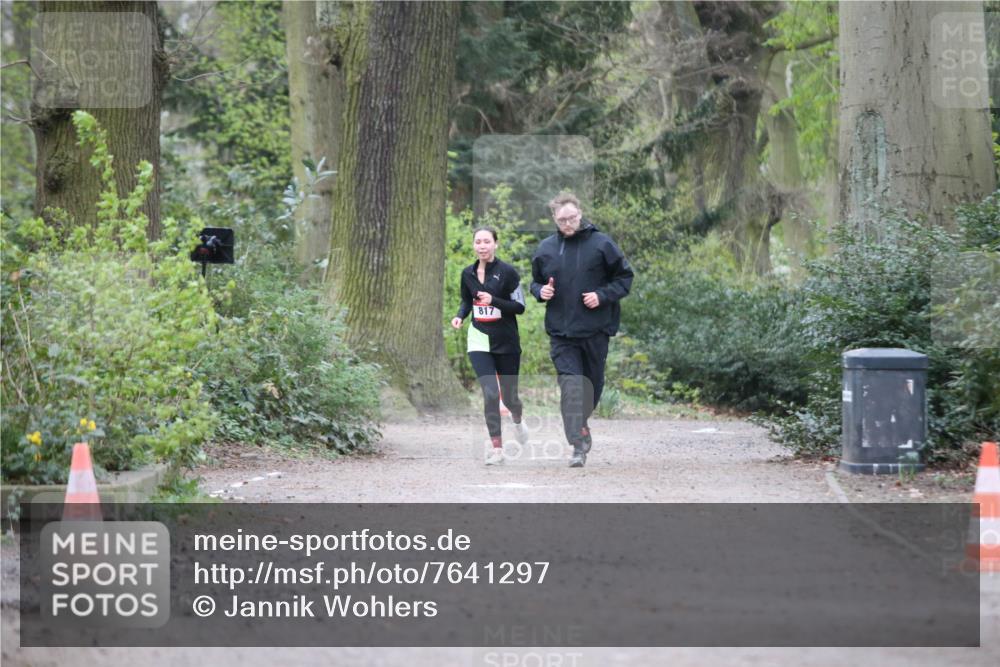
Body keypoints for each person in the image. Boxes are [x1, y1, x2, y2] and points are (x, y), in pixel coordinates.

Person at [530, 193, 634, 468]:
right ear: (554, 219)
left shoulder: (602, 244)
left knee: (593, 387)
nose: (568, 223)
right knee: (571, 386)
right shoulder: (546, 248)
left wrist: (602, 296)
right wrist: (541, 291)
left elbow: (625, 278)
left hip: (595, 330)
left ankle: (581, 424)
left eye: (572, 218)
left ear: (580, 214)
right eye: (562, 220)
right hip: (562, 333)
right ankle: (578, 444)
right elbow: (534, 283)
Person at [452, 226, 529, 465]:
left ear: (495, 244)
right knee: (490, 393)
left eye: (487, 241)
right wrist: (460, 316)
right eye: (478, 242)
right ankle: (497, 450)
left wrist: (493, 300)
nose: (482, 246)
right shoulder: (468, 273)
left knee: (509, 397)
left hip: (506, 341)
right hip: (478, 338)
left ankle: (516, 418)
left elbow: (520, 307)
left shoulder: (508, 272)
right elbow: (467, 300)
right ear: (474, 245)